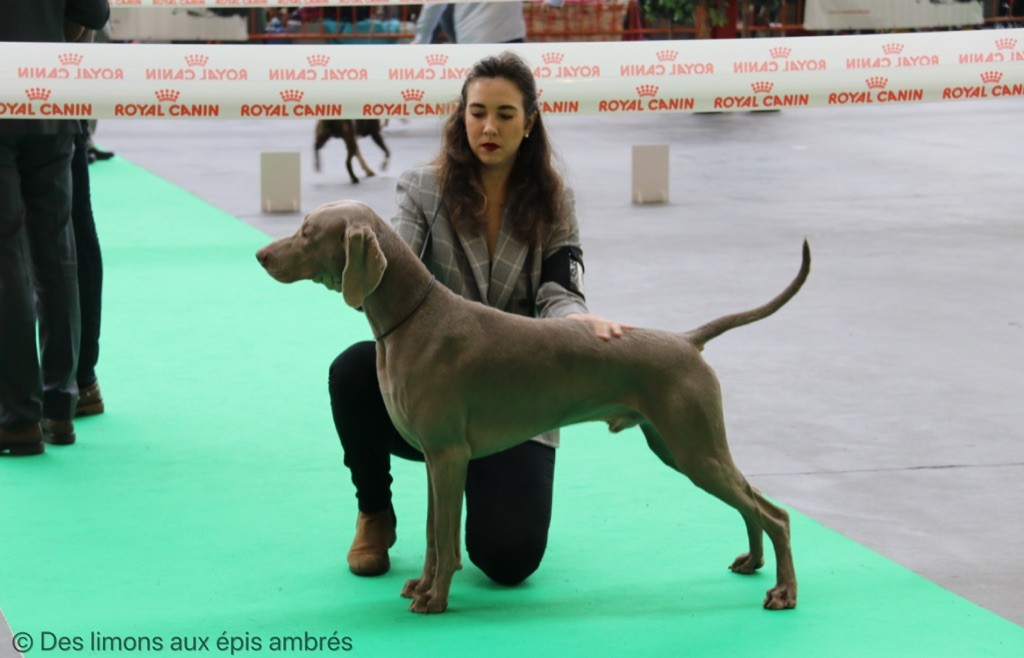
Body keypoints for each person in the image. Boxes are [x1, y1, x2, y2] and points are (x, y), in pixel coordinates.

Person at [325, 52, 629, 584]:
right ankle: (375, 512)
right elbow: (400, 277)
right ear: (461, 115)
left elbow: (560, 288)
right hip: (435, 384)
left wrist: (575, 322)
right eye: (478, 112)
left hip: (514, 395)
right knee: (353, 370)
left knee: (510, 560)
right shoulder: (422, 189)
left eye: (506, 114)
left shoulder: (556, 201)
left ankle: (470, 482)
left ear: (530, 122)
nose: (489, 127)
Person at [0, 0, 110, 457]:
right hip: (51, 96)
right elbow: (93, 12)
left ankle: (17, 417)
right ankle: (60, 406)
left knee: (6, 255)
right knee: (58, 249)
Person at [412, 0, 563, 44]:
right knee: (516, 93)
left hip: (473, 37)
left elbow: (433, 5)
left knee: (475, 97)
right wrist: (554, 2)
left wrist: (421, 39)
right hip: (511, 34)